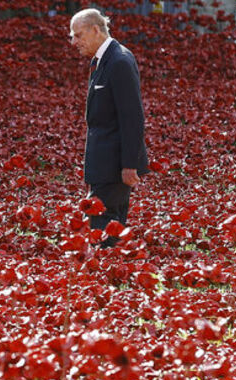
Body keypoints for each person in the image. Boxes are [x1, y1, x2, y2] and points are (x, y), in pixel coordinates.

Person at [69, 8, 148, 246]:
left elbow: (132, 117)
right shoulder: (103, 60)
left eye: (78, 35)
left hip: (114, 164)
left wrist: (129, 164)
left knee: (102, 224)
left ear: (96, 30)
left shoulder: (119, 61)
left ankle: (106, 264)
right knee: (108, 224)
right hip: (104, 162)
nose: (74, 42)